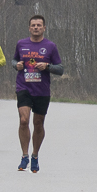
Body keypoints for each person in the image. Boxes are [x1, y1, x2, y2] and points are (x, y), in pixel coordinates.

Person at [12, 14, 62, 173]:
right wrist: (17, 65)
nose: (36, 28)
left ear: (44, 28)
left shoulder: (50, 46)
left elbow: (60, 69)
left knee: (38, 123)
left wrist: (47, 66)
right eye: (33, 25)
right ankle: (24, 155)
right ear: (29, 28)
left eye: (39, 25)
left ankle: (35, 155)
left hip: (42, 90)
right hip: (24, 87)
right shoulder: (21, 44)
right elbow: (14, 61)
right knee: (24, 120)